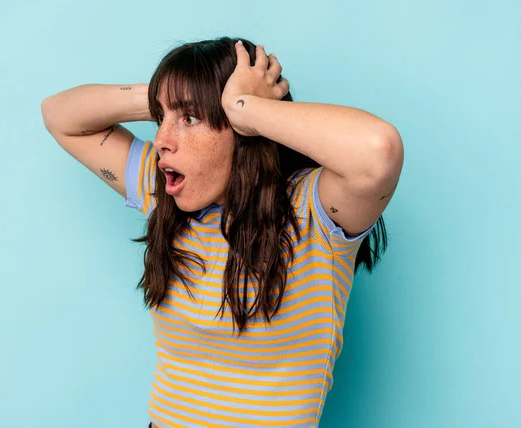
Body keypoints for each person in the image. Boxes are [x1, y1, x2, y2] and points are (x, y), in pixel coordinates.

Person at [41, 36, 403, 428]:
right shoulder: (165, 194)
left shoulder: (314, 212)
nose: (162, 141)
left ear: (241, 128)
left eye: (190, 119)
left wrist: (242, 105)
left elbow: (378, 152)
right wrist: (171, 94)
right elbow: (59, 115)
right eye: (162, 119)